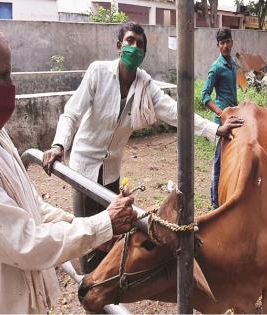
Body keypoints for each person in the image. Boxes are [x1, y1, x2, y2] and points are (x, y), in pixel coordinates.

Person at [43, 22, 243, 273]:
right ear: (118, 46)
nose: (134, 47)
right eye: (130, 41)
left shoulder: (145, 86)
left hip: (111, 172)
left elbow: (176, 113)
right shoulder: (98, 73)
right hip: (84, 170)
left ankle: (105, 285)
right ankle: (89, 287)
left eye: (140, 44)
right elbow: (71, 113)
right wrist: (59, 145)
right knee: (87, 234)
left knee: (110, 229)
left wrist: (214, 129)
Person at [0, 20, 137, 313]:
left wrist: (84, 228)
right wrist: (100, 224)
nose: (11, 86)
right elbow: (23, 242)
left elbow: (30, 204)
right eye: (3, 76)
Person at [201, 27, 237, 209]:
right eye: (222, 43)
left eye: (228, 42)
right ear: (218, 46)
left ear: (231, 42)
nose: (225, 46)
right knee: (218, 163)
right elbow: (204, 96)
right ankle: (215, 204)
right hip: (221, 123)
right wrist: (220, 113)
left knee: (231, 159)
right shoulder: (216, 67)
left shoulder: (233, 64)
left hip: (233, 119)